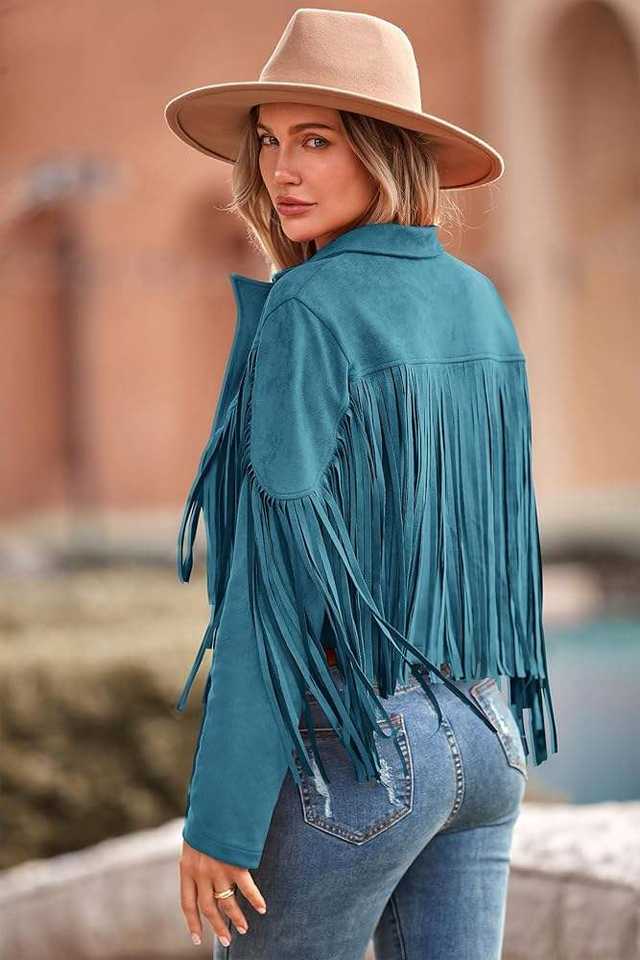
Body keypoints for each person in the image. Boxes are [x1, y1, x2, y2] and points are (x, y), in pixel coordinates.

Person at [164, 9, 559, 959]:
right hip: (487, 732)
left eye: (316, 141)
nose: (282, 171)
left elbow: (273, 595)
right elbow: (501, 538)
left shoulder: (309, 308)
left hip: (357, 750)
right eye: (268, 142)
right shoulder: (478, 299)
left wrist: (220, 820)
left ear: (383, 152)